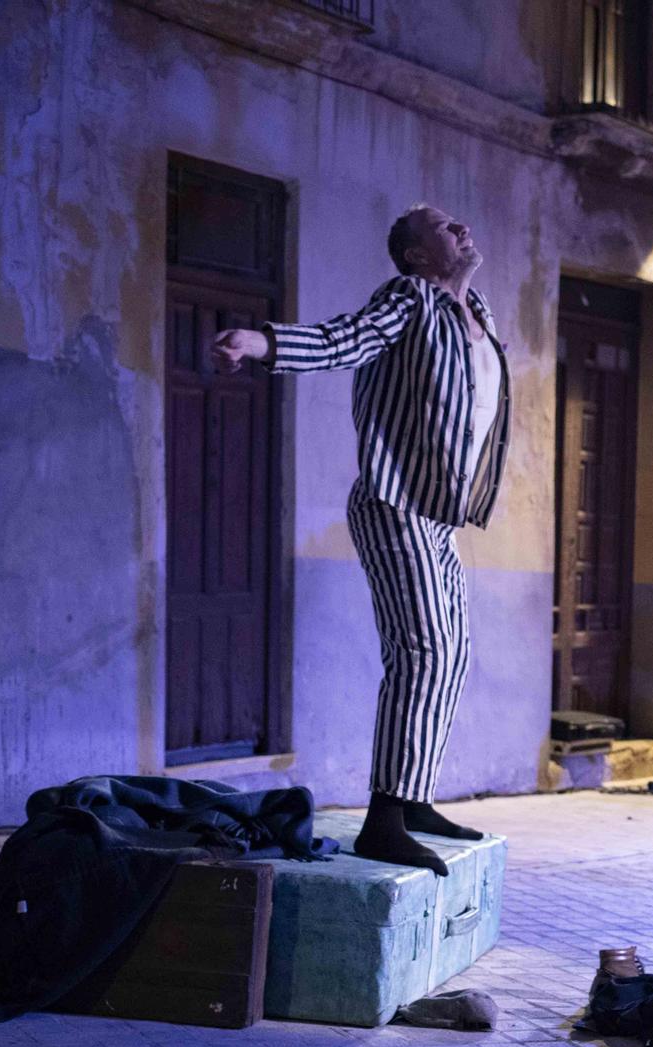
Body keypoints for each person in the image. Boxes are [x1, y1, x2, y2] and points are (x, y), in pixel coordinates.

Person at [210, 203, 509, 875]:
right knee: (422, 648)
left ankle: (414, 795)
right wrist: (265, 344)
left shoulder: (478, 314)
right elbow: (347, 338)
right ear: (416, 256)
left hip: (437, 512)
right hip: (392, 500)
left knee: (452, 653)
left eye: (461, 219)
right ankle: (385, 819)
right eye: (442, 224)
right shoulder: (410, 299)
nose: (462, 225)